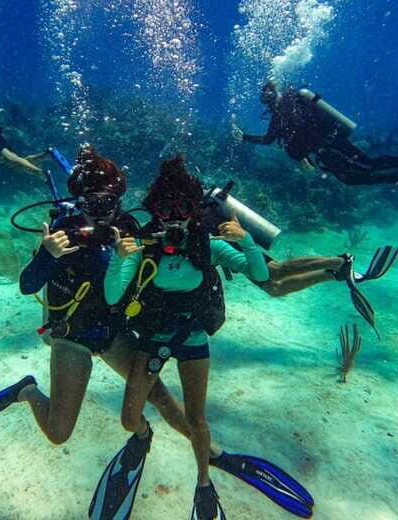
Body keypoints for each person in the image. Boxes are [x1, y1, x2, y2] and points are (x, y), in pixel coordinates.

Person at [0, 147, 314, 520]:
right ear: (79, 200)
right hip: (73, 335)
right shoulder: (63, 232)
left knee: (161, 398)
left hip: (115, 333)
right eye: (93, 202)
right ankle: (27, 391)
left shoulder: (130, 229)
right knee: (59, 432)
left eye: (111, 200)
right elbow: (27, 284)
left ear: (120, 197)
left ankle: (209, 451)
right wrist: (47, 253)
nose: (102, 210)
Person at [103, 156, 276, 520]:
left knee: (197, 419)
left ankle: (203, 484)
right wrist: (120, 259)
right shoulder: (144, 246)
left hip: (193, 337)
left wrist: (246, 241)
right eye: (165, 209)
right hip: (152, 337)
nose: (173, 217)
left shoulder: (206, 245)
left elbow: (259, 273)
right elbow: (112, 297)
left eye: (182, 208)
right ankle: (142, 435)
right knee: (128, 418)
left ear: (194, 211)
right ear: (155, 211)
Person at [233, 83, 398, 211]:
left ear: (274, 94)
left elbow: (286, 139)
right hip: (325, 152)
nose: (268, 102)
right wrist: (244, 138)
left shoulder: (292, 107)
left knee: (367, 165)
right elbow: (270, 140)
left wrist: (300, 154)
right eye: (265, 99)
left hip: (331, 146)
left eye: (267, 97)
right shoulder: (281, 115)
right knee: (353, 177)